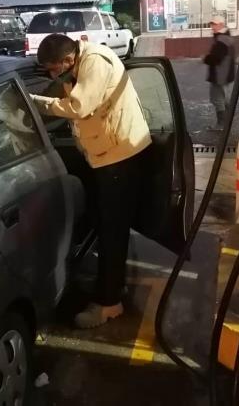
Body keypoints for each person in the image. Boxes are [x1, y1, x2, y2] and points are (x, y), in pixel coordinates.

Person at [30, 34, 151, 329]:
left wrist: (35, 103)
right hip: (112, 151)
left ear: (68, 60)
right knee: (108, 224)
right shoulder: (82, 61)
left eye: (54, 69)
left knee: (113, 230)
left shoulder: (94, 62)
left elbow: (79, 107)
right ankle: (113, 285)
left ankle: (109, 304)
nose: (53, 75)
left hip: (118, 155)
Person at [203, 17, 235, 130]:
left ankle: (221, 124)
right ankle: (227, 122)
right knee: (224, 98)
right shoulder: (225, 37)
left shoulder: (222, 40)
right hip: (224, 75)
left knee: (218, 99)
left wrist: (206, 58)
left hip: (220, 75)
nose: (212, 27)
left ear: (221, 24)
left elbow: (216, 58)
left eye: (215, 24)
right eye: (212, 24)